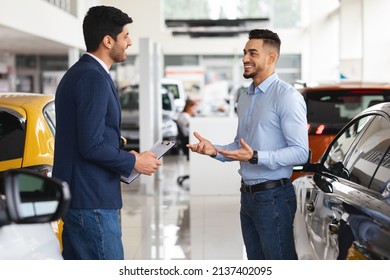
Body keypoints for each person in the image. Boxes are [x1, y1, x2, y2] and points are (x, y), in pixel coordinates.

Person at [187, 29, 309, 260]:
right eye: (245, 53)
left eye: (253, 53)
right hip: (248, 196)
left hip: (274, 197)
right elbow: (240, 146)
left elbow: (301, 152)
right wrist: (216, 151)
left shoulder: (287, 97)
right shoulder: (246, 96)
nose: (245, 59)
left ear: (271, 58)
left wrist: (256, 157)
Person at [53, 5, 161, 260]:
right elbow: (91, 145)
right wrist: (134, 161)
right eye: (125, 36)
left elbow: (93, 138)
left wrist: (126, 156)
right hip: (92, 203)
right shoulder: (92, 78)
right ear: (108, 40)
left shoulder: (81, 73)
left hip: (83, 199)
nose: (129, 42)